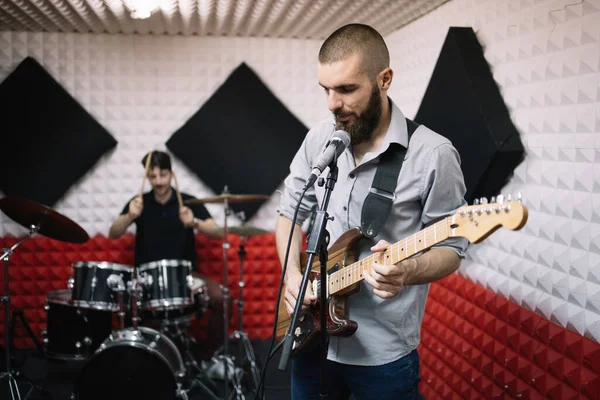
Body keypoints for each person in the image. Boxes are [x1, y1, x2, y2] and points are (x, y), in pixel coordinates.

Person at [276, 24, 469, 399]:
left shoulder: (433, 154)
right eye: (326, 90)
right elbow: (289, 214)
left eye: (346, 89)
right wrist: (292, 277)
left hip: (381, 357)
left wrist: (407, 271)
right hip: (310, 339)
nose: (333, 103)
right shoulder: (319, 138)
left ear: (384, 79)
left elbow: (453, 248)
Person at [108, 150, 225, 360]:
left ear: (171, 174)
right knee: (124, 303)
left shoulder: (187, 202)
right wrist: (129, 216)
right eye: (152, 176)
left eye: (163, 175)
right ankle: (134, 357)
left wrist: (194, 223)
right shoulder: (139, 203)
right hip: (146, 280)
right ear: (147, 177)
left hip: (186, 276)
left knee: (220, 298)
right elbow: (113, 233)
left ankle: (208, 356)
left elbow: (218, 233)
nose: (158, 181)